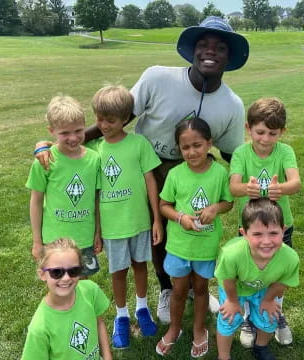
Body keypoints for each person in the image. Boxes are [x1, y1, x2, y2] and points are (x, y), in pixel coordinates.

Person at [32, 16, 249, 323]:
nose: (209, 51)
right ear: (192, 50)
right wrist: (53, 144)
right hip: (143, 166)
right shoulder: (157, 77)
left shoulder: (232, 104)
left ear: (229, 56)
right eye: (203, 44)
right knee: (156, 235)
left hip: (191, 171)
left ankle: (192, 286)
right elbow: (117, 117)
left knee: (193, 230)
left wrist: (257, 184)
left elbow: (232, 153)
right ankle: (166, 288)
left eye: (219, 47)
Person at [85, 85, 162, 349]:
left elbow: (150, 180)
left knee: (140, 265)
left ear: (126, 118)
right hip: (112, 226)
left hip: (139, 221)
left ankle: (142, 309)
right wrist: (97, 230)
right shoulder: (94, 150)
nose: (104, 125)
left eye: (111, 120)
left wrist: (156, 219)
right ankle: (121, 315)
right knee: (118, 272)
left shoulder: (138, 143)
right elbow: (94, 193)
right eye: (99, 119)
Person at [155, 118, 233, 358]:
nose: (191, 152)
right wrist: (180, 218)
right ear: (179, 148)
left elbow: (228, 202)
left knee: (200, 288)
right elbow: (163, 205)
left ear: (209, 143)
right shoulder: (176, 174)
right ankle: (175, 328)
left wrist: (215, 209)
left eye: (197, 145)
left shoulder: (220, 172)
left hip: (206, 246)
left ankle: (200, 329)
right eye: (185, 147)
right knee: (178, 290)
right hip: (179, 245)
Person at [229, 97, 300, 347]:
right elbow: (234, 187)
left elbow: (296, 183)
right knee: (248, 272)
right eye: (260, 132)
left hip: (281, 227)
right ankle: (249, 316)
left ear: (282, 132)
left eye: (273, 133)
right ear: (248, 128)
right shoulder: (241, 152)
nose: (265, 139)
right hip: (250, 230)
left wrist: (280, 188)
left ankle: (275, 312)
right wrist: (246, 188)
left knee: (278, 272)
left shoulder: (285, 151)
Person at [26, 95, 101, 277]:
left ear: (85, 125)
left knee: (83, 286)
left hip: (84, 238)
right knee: (58, 285)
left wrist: (98, 232)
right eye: (65, 133)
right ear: (51, 131)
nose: (73, 138)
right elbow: (36, 202)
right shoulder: (45, 161)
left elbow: (97, 199)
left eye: (78, 130)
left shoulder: (94, 159)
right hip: (54, 241)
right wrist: (37, 241)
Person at [215, 198, 299, 360]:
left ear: (284, 230)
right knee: (228, 319)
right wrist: (232, 301)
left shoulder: (290, 258)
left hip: (264, 288)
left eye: (273, 233)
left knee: (269, 316)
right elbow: (228, 279)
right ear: (244, 234)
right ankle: (223, 356)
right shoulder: (231, 254)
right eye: (257, 234)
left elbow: (281, 283)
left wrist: (268, 300)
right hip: (234, 289)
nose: (266, 241)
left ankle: (261, 347)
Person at [21, 238, 111, 360]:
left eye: (74, 271)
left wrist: (107, 356)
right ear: (42, 274)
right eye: (57, 272)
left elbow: (99, 323)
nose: (66, 278)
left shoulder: (90, 290)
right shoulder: (39, 327)